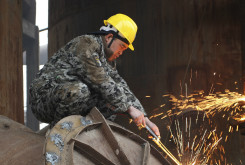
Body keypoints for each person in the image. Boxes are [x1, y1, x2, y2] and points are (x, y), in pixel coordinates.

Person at [29, 13, 160, 137]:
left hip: (68, 97)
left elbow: (120, 86)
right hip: (44, 99)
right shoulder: (86, 44)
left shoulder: (107, 60)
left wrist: (145, 118)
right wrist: (130, 109)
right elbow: (102, 82)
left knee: (112, 103)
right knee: (81, 91)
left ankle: (93, 136)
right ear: (109, 37)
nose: (122, 52)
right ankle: (58, 134)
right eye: (122, 46)